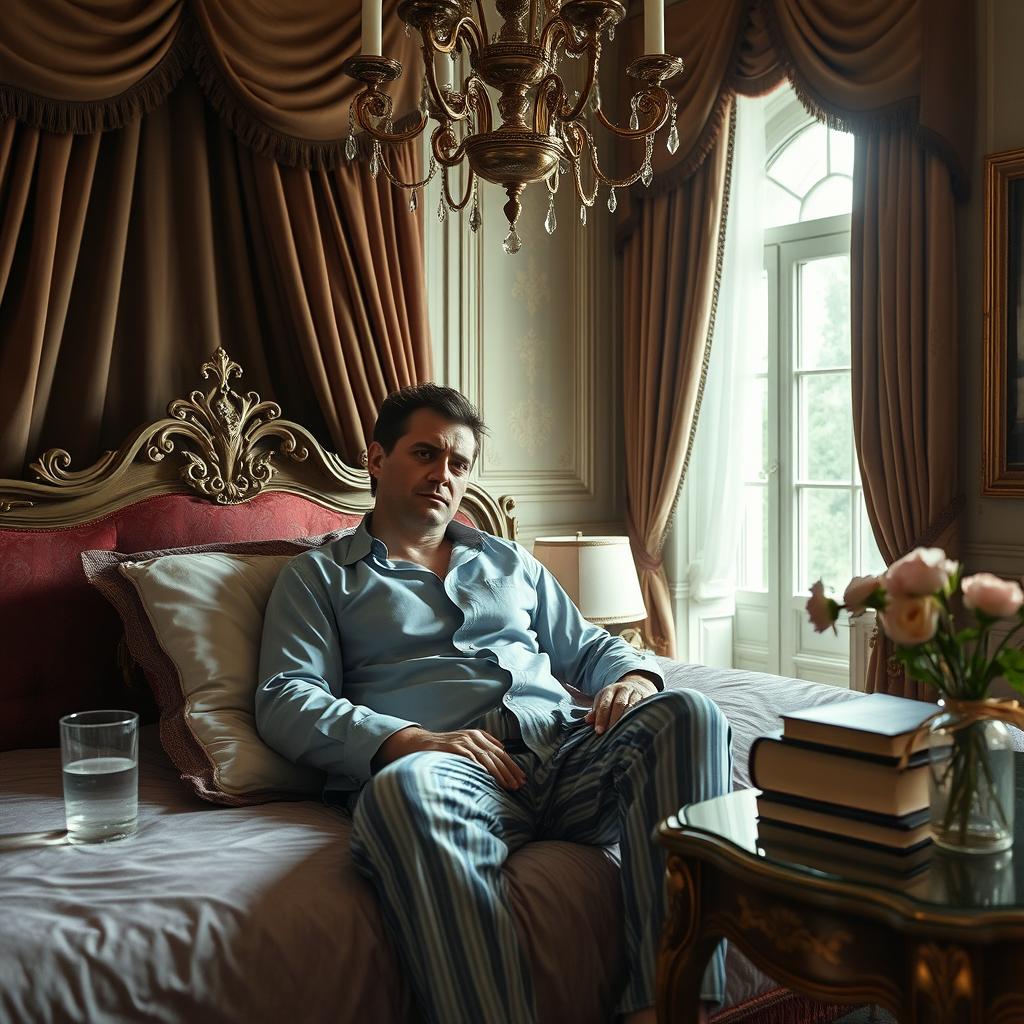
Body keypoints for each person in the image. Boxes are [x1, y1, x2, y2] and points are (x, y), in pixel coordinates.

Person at [256, 383, 731, 1024]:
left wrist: (635, 677)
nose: (443, 476)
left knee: (690, 715)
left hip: (563, 752)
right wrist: (407, 740)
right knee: (404, 792)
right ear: (375, 458)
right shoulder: (320, 576)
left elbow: (589, 649)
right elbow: (288, 696)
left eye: (458, 464)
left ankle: (670, 1006)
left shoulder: (508, 560)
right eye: (425, 454)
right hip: (453, 767)